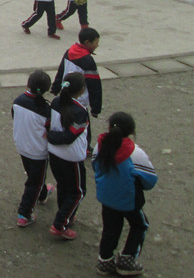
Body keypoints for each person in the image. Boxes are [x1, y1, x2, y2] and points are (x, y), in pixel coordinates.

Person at [93, 112, 157, 276]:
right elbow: (150, 179)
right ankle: (127, 260)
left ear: (109, 127)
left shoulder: (100, 146)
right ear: (131, 131)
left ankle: (105, 261)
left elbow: (95, 165)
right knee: (140, 225)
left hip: (107, 197)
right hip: (129, 199)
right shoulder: (135, 153)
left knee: (110, 229)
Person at [47, 72, 89, 240]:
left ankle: (66, 215)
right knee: (78, 191)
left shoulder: (56, 102)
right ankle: (60, 224)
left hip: (54, 154)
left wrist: (50, 137)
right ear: (81, 90)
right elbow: (70, 136)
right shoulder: (80, 112)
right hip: (72, 157)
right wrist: (52, 137)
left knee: (64, 186)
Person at [12, 70, 55, 228]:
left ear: (28, 83)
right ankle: (24, 213)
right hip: (38, 151)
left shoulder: (18, 101)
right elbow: (50, 129)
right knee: (34, 182)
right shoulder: (46, 110)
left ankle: (42, 194)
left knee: (34, 175)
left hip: (22, 145)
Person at [51, 27, 102, 131]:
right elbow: (94, 85)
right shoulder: (88, 61)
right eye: (96, 42)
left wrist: (56, 88)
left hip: (65, 94)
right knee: (81, 129)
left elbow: (61, 70)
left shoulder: (69, 52)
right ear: (87, 42)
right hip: (80, 100)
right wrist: (95, 108)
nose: (97, 45)